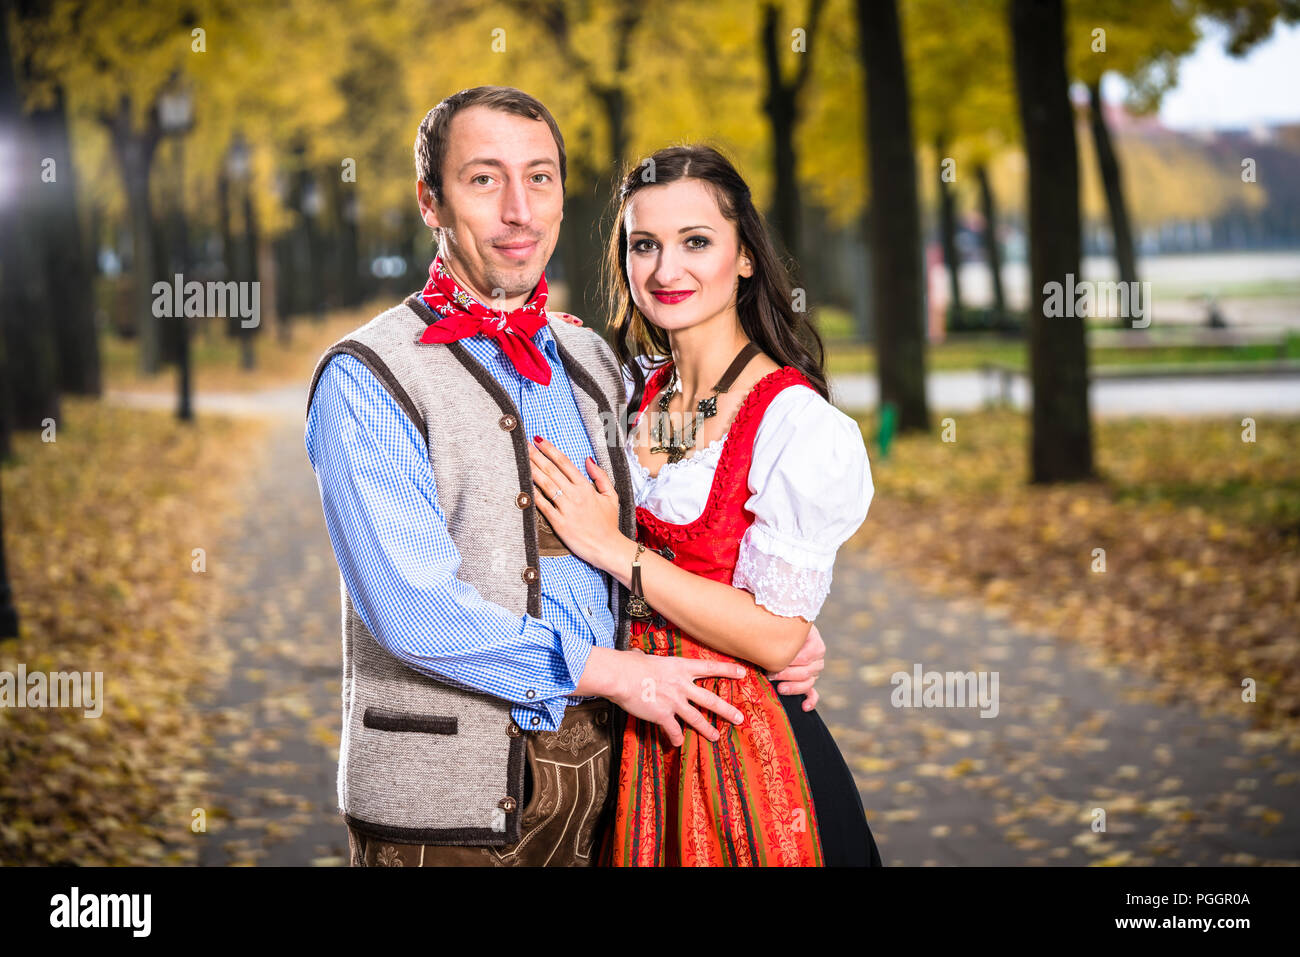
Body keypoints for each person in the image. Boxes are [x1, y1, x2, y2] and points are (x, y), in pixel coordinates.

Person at [304, 86, 828, 866]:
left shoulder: (593, 362)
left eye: (540, 177)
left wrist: (770, 627)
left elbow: (670, 527)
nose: (519, 209)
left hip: (619, 792)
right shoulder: (366, 377)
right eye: (484, 180)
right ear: (430, 203)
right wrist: (617, 672)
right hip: (446, 811)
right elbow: (411, 608)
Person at [527, 144, 882, 866]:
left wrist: (615, 549)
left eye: (696, 242)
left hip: (737, 749)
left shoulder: (795, 422)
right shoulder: (626, 393)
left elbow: (779, 640)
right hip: (622, 735)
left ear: (745, 256)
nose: (666, 269)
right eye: (644, 245)